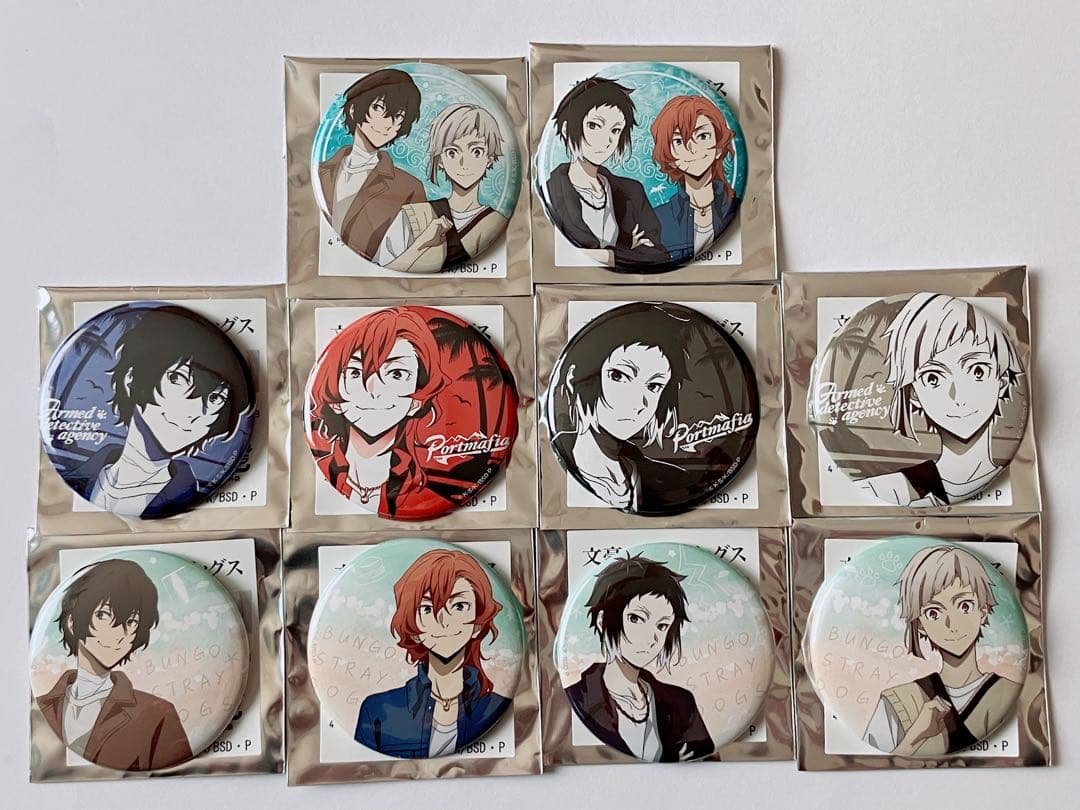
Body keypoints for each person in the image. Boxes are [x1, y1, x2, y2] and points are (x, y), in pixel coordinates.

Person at [64, 306, 253, 518]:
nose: (194, 412)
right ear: (131, 379)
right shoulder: (79, 475)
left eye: (215, 398)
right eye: (177, 378)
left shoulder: (186, 494)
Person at [860, 294, 1024, 506]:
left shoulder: (1013, 479)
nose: (958, 395)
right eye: (933, 378)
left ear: (1001, 381)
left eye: (978, 371)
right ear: (914, 394)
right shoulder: (890, 488)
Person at [863, 545, 1023, 756]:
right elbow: (877, 763)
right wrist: (916, 735)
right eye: (934, 613)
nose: (952, 623)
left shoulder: (1010, 693)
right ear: (920, 624)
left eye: (964, 606)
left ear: (982, 612)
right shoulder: (897, 701)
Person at [36, 559, 192, 771]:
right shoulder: (41, 707)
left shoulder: (157, 715)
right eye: (103, 615)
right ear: (72, 622)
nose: (119, 633)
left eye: (131, 622)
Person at [355, 549, 512, 758]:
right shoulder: (377, 711)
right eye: (427, 609)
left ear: (477, 624)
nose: (444, 621)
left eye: (459, 606)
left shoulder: (496, 706)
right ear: (413, 628)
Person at [566, 554, 714, 761]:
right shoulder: (577, 698)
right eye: (636, 618)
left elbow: (707, 762)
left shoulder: (681, 703)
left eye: (662, 626)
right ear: (602, 620)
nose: (651, 638)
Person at [305, 307, 449, 518]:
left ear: (417, 399)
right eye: (356, 372)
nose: (373, 390)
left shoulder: (426, 488)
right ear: (335, 394)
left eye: (397, 374)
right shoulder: (316, 473)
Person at [547, 303, 690, 509]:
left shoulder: (669, 480)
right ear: (574, 379)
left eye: (654, 386)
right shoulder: (547, 468)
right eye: (619, 376)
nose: (638, 402)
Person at [540, 77, 668, 270]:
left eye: (615, 130)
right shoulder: (550, 192)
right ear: (566, 129)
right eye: (594, 126)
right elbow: (556, 252)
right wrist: (627, 252)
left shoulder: (631, 191)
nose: (606, 140)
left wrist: (605, 256)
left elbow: (658, 255)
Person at [376, 103, 508, 273]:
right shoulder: (413, 216)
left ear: (489, 158)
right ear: (440, 160)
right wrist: (422, 243)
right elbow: (381, 271)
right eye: (452, 152)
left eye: (476, 151)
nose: (464, 163)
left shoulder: (497, 222)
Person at [316, 69, 425, 260]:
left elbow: (412, 255)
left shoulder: (409, 188)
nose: (388, 123)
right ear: (353, 109)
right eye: (378, 108)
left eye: (399, 116)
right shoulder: (320, 171)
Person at [650, 95, 740, 265]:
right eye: (678, 141)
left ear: (719, 148)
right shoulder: (658, 220)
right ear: (669, 157)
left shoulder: (737, 209)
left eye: (703, 136)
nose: (692, 148)